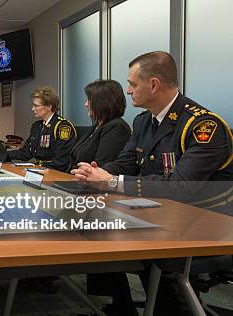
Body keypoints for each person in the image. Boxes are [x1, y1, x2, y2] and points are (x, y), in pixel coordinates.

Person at [71, 51, 233, 315]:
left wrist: (113, 182)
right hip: (163, 210)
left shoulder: (204, 126)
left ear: (154, 84)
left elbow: (182, 187)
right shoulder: (144, 120)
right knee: (95, 224)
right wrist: (95, 172)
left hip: (208, 221)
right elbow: (126, 164)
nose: (128, 90)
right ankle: (121, 306)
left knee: (151, 251)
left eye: (133, 84)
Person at [7, 87, 77, 172]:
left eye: (36, 105)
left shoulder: (62, 127)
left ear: (49, 106)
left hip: (57, 173)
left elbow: (61, 161)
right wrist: (2, 154)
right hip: (39, 169)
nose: (33, 109)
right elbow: (26, 153)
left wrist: (36, 169)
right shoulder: (36, 126)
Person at [68, 79, 131, 172]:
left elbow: (101, 166)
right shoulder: (97, 126)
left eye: (90, 100)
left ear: (104, 102)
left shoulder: (117, 127)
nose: (86, 104)